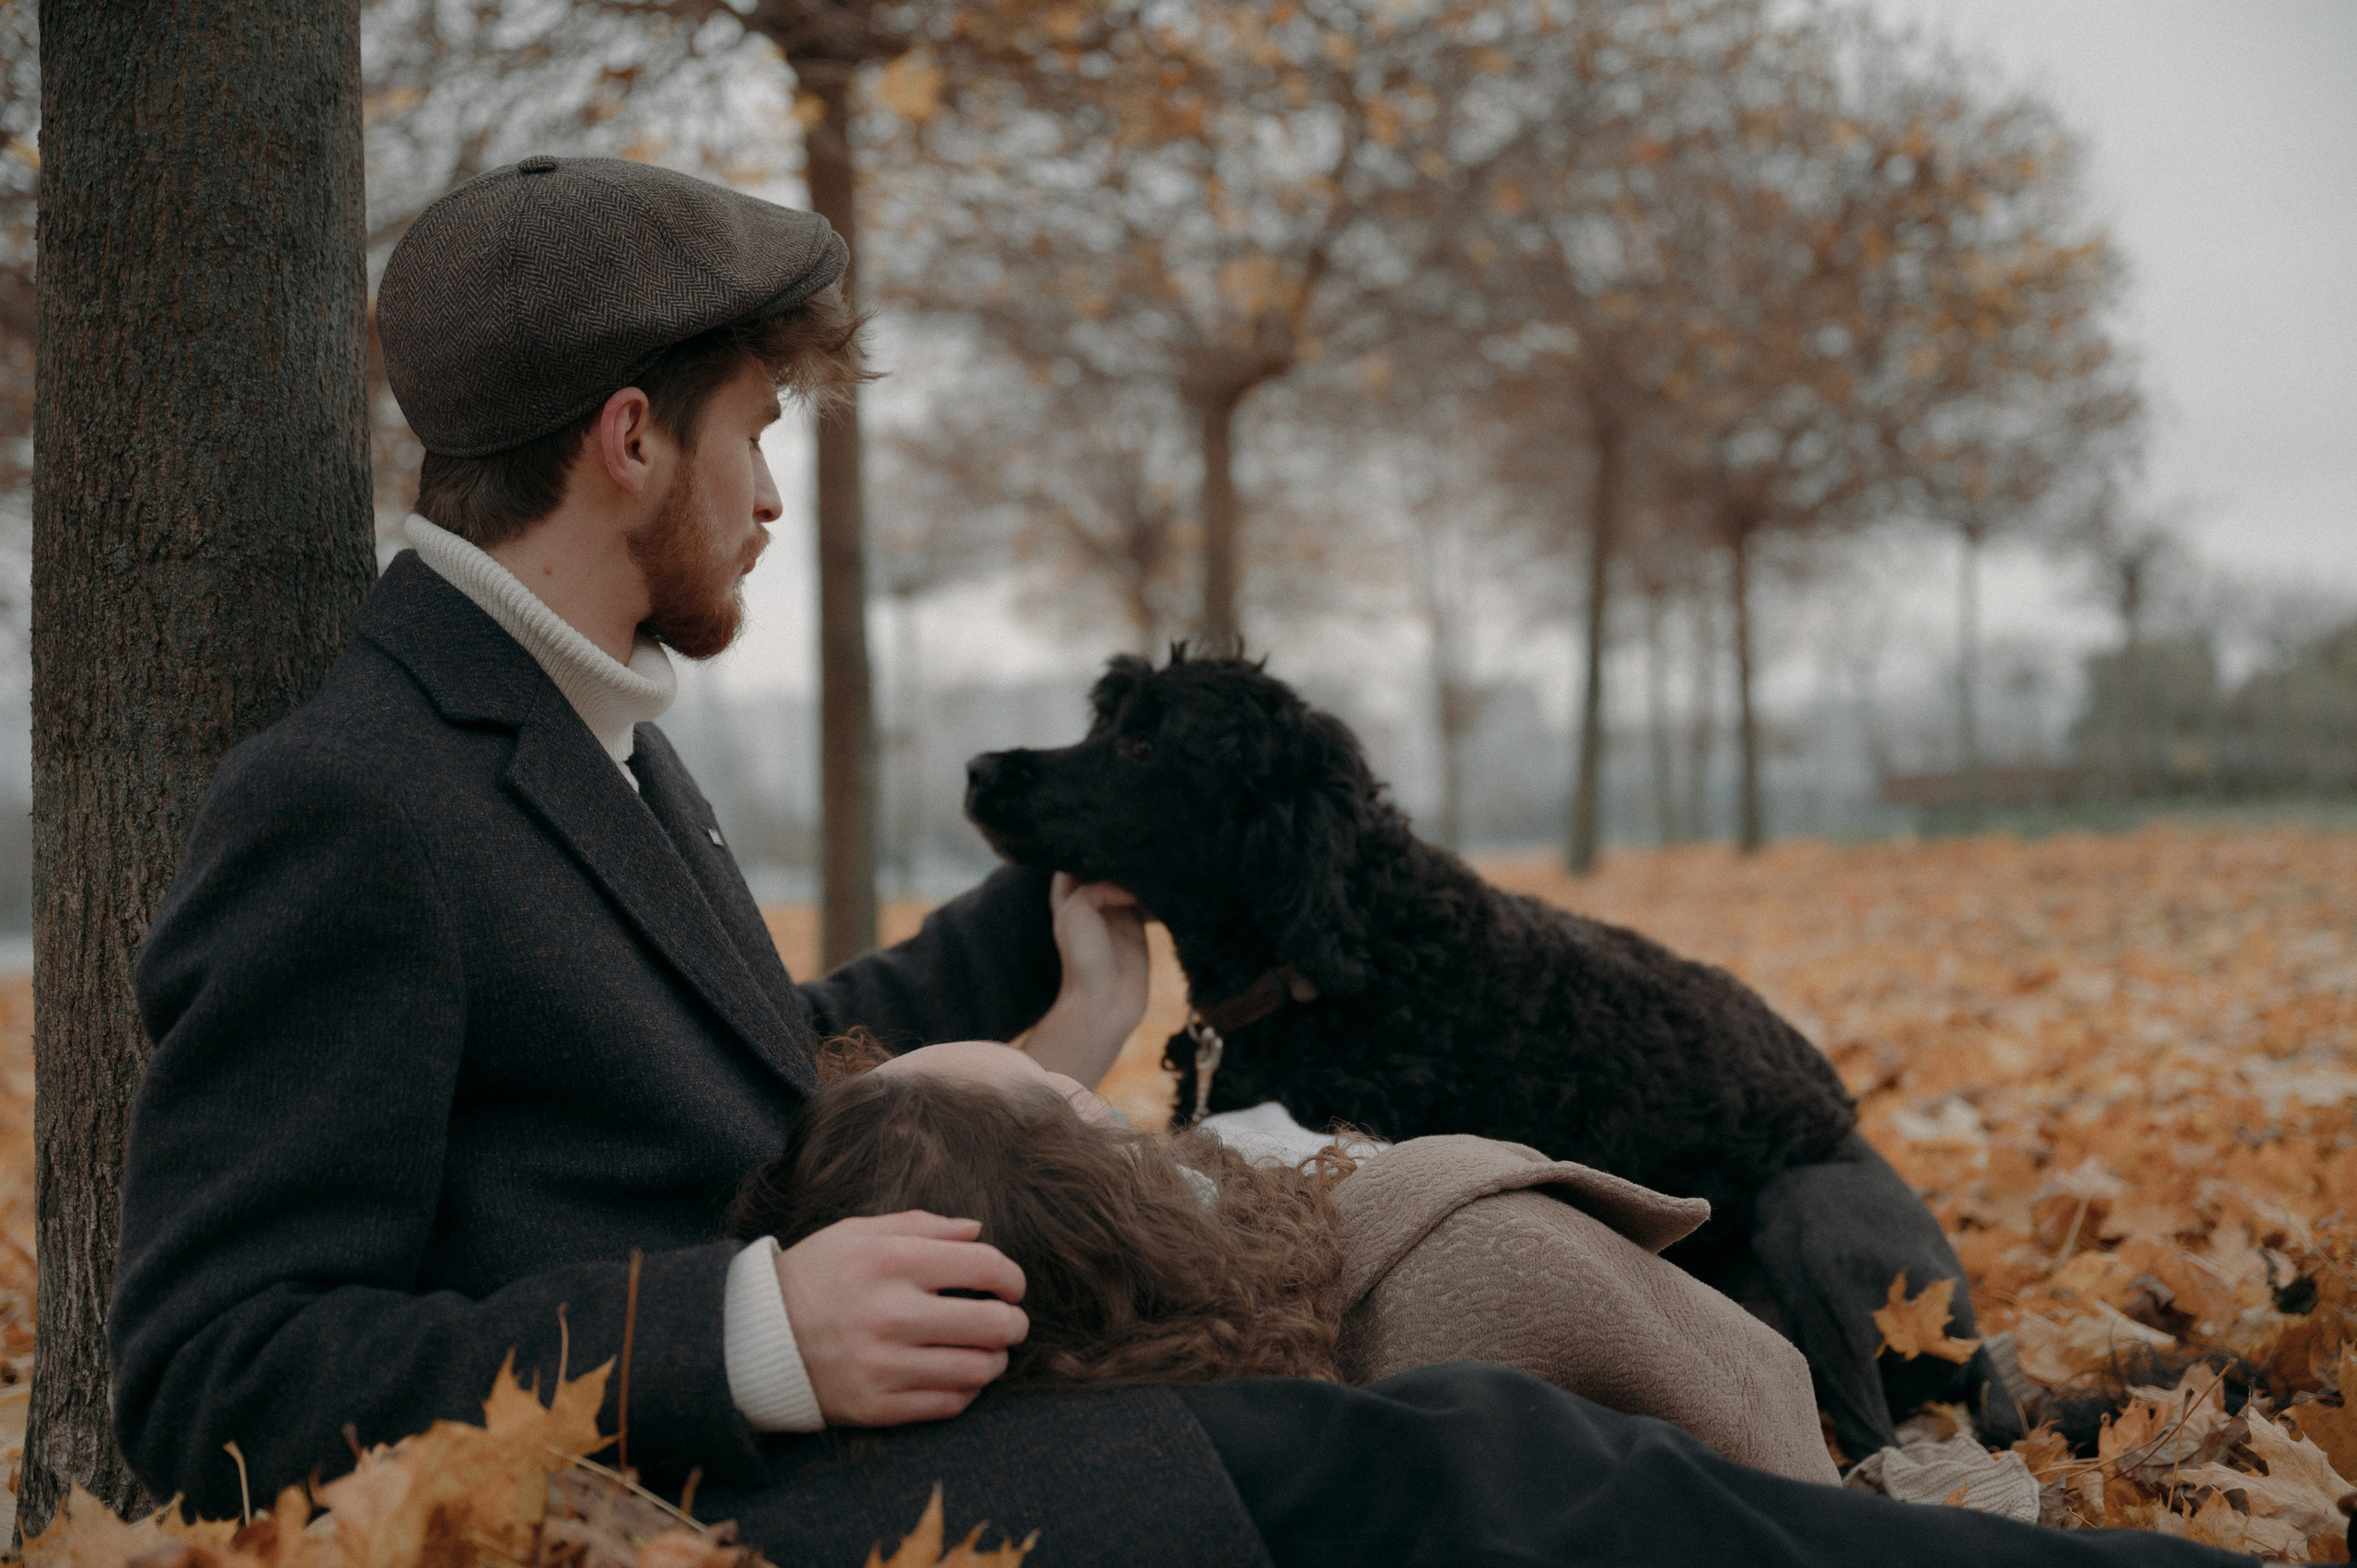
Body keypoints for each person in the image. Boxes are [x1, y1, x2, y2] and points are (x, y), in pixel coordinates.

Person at [110, 156, 2256, 1568]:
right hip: (743, 1497)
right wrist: (744, 1330)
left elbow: (714, 1058)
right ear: (629, 436)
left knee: (1515, 1401)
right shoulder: (356, 800)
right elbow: (207, 1374)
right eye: (758, 429)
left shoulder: (592, 755)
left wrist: (1048, 974)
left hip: (906, 1406)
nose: (772, 495)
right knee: (1486, 1471)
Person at [726, 1035, 1840, 1484]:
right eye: (1081, 1103)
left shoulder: (1099, 1439)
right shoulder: (1475, 1254)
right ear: (1115, 1186)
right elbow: (1770, 1432)